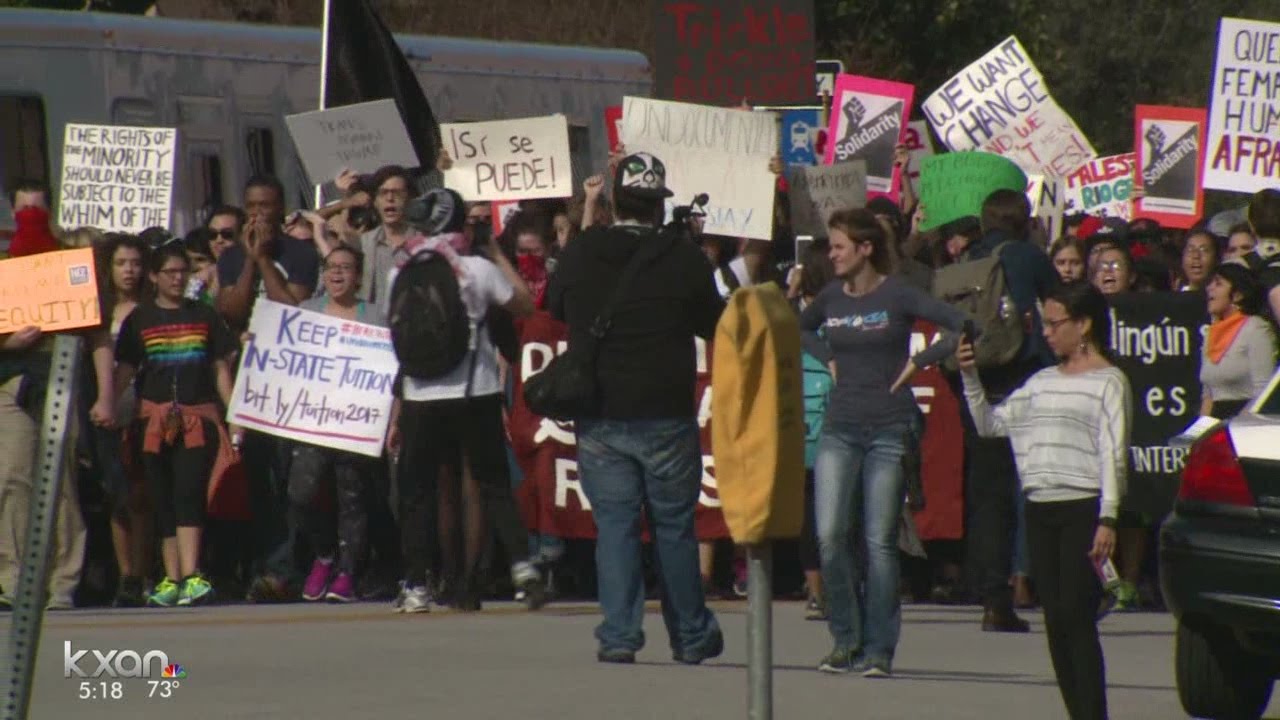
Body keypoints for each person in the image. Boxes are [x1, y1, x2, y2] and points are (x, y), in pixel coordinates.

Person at [546, 151, 725, 665]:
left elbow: (554, 307)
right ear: (657, 207)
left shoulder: (583, 252)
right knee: (674, 527)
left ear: (614, 203)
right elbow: (715, 324)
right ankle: (690, 636)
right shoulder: (683, 256)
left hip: (600, 411)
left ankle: (620, 636)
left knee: (616, 527)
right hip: (665, 411)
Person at [800, 208, 965, 677]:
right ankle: (845, 641)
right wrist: (828, 355)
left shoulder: (898, 293)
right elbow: (801, 325)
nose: (831, 255)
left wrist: (923, 362)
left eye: (838, 246)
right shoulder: (831, 297)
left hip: (890, 429)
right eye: (830, 246)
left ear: (865, 248)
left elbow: (959, 322)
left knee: (879, 542)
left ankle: (879, 650)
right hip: (840, 427)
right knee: (830, 536)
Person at [958, 281, 1130, 720]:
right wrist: (970, 377)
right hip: (1041, 507)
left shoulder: (1109, 382)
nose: (1047, 334)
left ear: (1084, 324)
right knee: (1055, 621)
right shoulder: (1041, 382)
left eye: (1055, 324)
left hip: (1083, 508)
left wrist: (1108, 518)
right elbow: (990, 424)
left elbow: (1113, 453)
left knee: (1077, 617)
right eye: (1044, 325)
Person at [386, 188, 545, 614]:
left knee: (418, 492)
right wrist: (494, 252)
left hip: (420, 394)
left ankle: (418, 584)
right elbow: (526, 305)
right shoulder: (476, 268)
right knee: (492, 483)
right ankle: (523, 570)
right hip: (475, 391)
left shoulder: (399, 272)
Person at [115, 243, 238, 607]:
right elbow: (125, 371)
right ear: (153, 276)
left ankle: (192, 574)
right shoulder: (139, 319)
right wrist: (105, 404)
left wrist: (234, 415)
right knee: (161, 497)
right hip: (151, 421)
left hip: (196, 417)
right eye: (169, 272)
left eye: (182, 272)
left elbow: (220, 369)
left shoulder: (204, 314)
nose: (177, 278)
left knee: (190, 492)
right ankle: (171, 577)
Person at [290, 246, 384, 603]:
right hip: (312, 419)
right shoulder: (306, 312)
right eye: (331, 267)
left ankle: (348, 570)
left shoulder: (375, 316)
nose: (338, 274)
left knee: (353, 496)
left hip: (356, 423)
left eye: (346, 267)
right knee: (301, 491)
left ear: (359, 276)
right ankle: (324, 554)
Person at [1200, 262, 1278, 419]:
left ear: (1237, 295)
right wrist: (1196, 436)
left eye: (1218, 283)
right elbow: (1208, 394)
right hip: (1215, 424)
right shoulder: (1211, 333)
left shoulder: (1256, 329)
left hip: (1246, 424)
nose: (1210, 288)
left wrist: (1239, 425)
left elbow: (1262, 392)